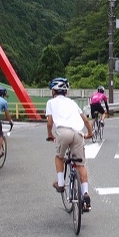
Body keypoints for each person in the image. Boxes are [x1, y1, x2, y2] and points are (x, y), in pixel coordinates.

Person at [45, 78, 94, 211]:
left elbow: (50, 122)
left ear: (53, 91)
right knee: (80, 164)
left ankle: (61, 183)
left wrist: (50, 134)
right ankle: (85, 193)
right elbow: (84, 119)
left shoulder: (51, 102)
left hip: (63, 132)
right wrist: (89, 133)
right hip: (78, 133)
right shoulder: (72, 103)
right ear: (66, 92)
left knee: (59, 157)